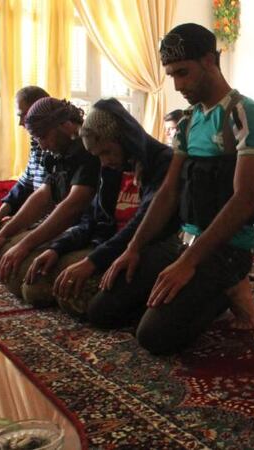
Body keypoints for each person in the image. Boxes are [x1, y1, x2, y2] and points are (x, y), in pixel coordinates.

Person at [86, 23, 254, 354]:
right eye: (171, 75)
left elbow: (246, 200)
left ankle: (231, 286)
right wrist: (134, 248)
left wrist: (188, 264)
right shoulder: (187, 121)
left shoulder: (245, 113)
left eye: (183, 73)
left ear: (209, 61)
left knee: (155, 337)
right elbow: (169, 191)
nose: (177, 84)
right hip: (182, 240)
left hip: (225, 250)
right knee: (101, 311)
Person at [21, 98, 176, 317]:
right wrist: (57, 248)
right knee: (35, 287)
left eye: (106, 152)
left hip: (147, 248)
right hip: (110, 246)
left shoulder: (163, 163)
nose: (103, 162)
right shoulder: (113, 167)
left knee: (97, 312)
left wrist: (93, 261)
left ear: (124, 139)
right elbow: (93, 219)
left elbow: (143, 223)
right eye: (98, 156)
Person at [0, 98, 100, 299]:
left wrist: (25, 245)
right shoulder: (61, 150)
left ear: (64, 125)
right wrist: (3, 234)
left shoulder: (88, 148)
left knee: (33, 289)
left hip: (86, 234)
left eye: (43, 137)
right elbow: (43, 195)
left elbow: (72, 206)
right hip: (65, 230)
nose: (42, 144)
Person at [0, 86, 51, 239]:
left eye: (23, 116)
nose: (20, 123)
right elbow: (24, 185)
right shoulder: (36, 143)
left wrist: (18, 224)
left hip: (51, 223)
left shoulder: (59, 146)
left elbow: (48, 197)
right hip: (36, 220)